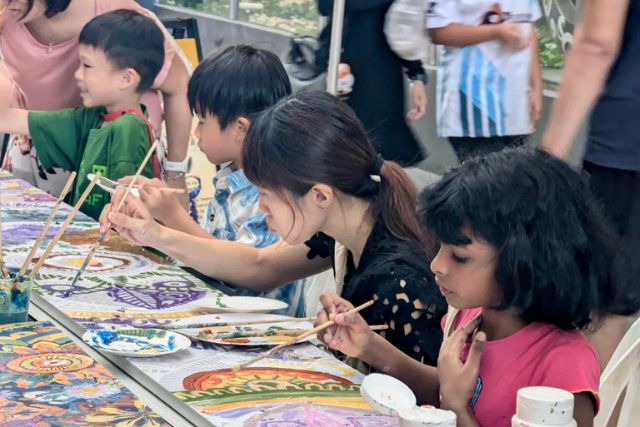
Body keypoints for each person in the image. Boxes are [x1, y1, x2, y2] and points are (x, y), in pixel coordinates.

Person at [101, 91, 448, 366]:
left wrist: (162, 232)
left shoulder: (400, 281)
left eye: (266, 193)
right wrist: (155, 234)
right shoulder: (343, 227)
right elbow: (259, 265)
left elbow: (431, 402)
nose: (261, 205)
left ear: (319, 196)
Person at [316, 148, 634, 426]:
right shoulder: (470, 316)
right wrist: (368, 345)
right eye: (439, 248)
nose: (436, 265)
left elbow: (454, 397)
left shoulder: (563, 365)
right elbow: (447, 385)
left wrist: (457, 406)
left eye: (460, 257)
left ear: (524, 263)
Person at [117, 45, 310, 317]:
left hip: (257, 333)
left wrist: (172, 216)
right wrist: (160, 211)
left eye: (202, 121)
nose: (196, 132)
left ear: (240, 129)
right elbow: (206, 251)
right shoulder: (229, 179)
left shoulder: (269, 195)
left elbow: (243, 277)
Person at [0, 0, 191, 200]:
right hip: (42, 154)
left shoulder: (127, 132)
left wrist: (176, 173)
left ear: (127, 77)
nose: (77, 75)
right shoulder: (80, 121)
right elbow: (10, 119)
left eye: (87, 66)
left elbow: (179, 87)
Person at [542, 0, 639, 369]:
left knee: (608, 298)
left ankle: (584, 414)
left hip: (626, 143)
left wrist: (548, 159)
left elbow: (597, 42)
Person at [427, 0, 543, 162]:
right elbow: (438, 32)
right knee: (485, 183)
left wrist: (537, 86)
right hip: (474, 105)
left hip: (517, 105)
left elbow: (529, 29)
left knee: (514, 181)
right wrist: (497, 31)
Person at [315, 0, 428, 167]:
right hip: (344, 69)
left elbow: (401, 27)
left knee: (376, 152)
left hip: (381, 75)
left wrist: (416, 75)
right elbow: (325, 6)